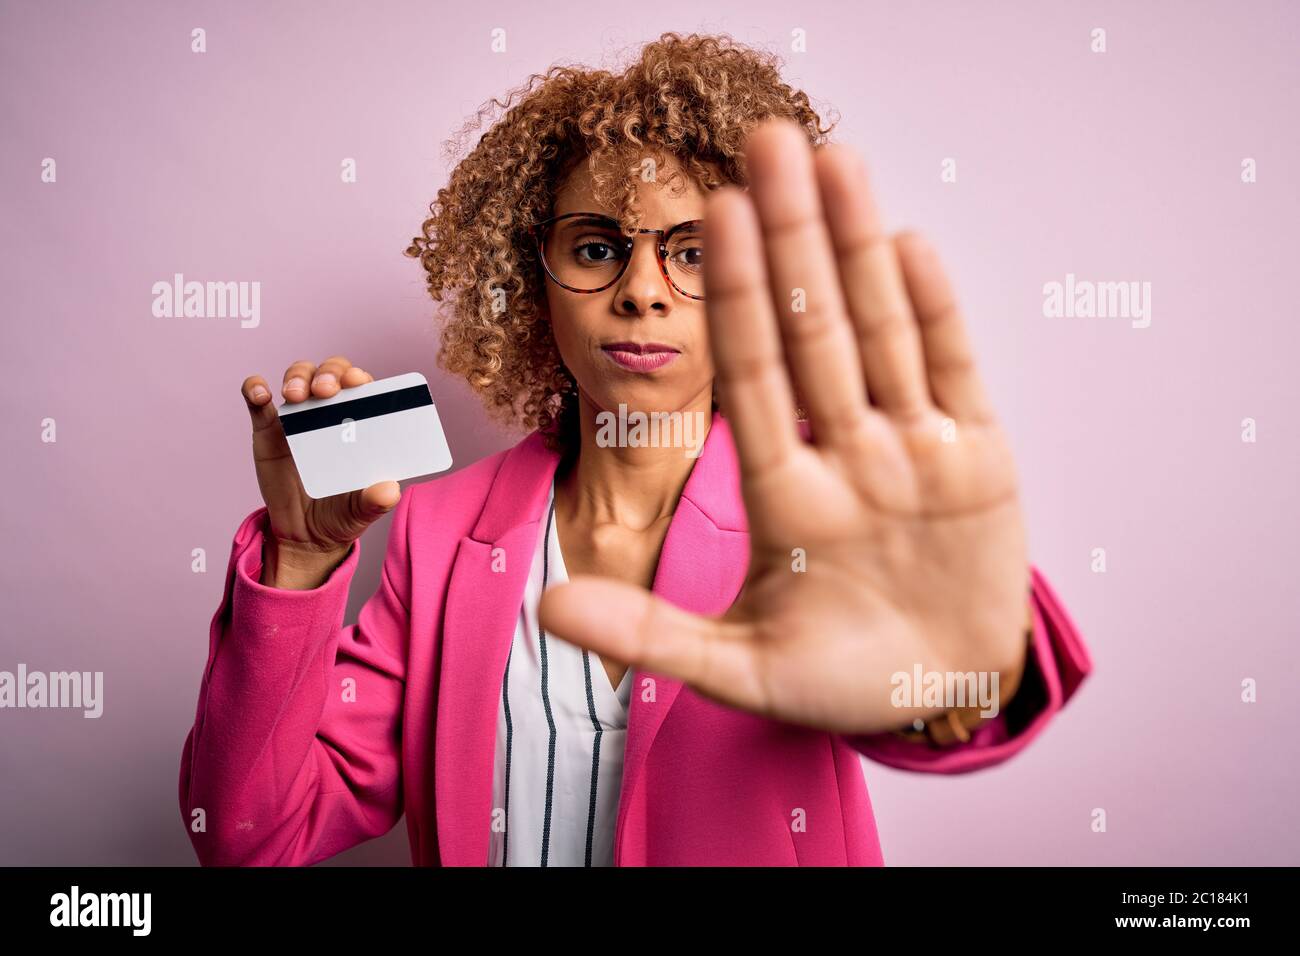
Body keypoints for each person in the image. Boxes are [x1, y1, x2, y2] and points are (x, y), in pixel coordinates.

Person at [179, 32, 1091, 867]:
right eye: (597, 246)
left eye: (693, 253)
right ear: (531, 283)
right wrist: (299, 562)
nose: (642, 291)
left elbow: (948, 698)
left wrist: (968, 665)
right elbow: (250, 836)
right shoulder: (437, 531)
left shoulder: (828, 504)